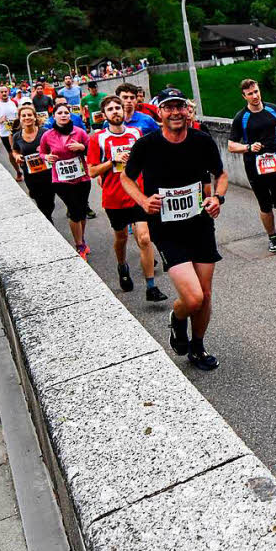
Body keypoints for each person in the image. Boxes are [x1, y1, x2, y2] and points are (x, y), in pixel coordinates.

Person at [120, 89, 228, 371]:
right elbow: (126, 178)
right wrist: (143, 200)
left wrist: (216, 198)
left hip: (200, 225)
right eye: (169, 108)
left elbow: (222, 175)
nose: (176, 112)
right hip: (167, 230)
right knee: (192, 298)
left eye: (180, 106)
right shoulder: (146, 145)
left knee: (205, 293)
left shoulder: (202, 141)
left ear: (186, 109)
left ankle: (198, 347)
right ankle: (177, 319)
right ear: (160, 112)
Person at [86, 95, 168, 302]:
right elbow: (92, 171)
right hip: (114, 197)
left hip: (138, 194)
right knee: (121, 238)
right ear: (104, 115)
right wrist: (112, 161)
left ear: (124, 112)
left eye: (118, 108)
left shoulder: (136, 133)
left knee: (144, 238)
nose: (115, 112)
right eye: (110, 109)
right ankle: (122, 265)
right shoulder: (98, 138)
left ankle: (151, 286)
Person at [228, 78, 276, 253]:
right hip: (254, 165)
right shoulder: (241, 118)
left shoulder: (272, 109)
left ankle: (273, 206)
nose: (254, 96)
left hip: (274, 162)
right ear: (244, 96)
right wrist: (247, 147)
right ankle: (272, 237)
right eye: (250, 94)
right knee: (265, 204)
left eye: (256, 92)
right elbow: (231, 145)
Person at [39, 102, 93, 259]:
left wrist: (82, 148)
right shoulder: (47, 135)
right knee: (74, 211)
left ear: (70, 115)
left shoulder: (79, 132)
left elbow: (92, 151)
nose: (63, 115)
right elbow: (42, 153)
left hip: (82, 178)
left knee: (81, 211)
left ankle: (81, 238)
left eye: (66, 113)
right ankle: (79, 245)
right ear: (54, 116)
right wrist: (47, 157)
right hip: (61, 181)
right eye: (60, 113)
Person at [12, 104, 56, 222]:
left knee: (50, 202)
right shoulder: (17, 136)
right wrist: (17, 156)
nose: (27, 117)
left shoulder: (45, 132)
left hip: (48, 174)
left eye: (30, 115)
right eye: (24, 116)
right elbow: (15, 150)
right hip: (30, 175)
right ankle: (48, 221)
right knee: (40, 201)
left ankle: (48, 214)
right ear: (20, 119)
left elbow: (55, 147)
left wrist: (47, 153)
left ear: (35, 117)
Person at [0, 85, 22, 181]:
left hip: (17, 131)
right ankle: (18, 172)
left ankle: (26, 169)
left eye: (5, 91)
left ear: (8, 92)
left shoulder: (14, 102)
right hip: (5, 133)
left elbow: (21, 113)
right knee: (11, 153)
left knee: (22, 150)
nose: (4, 93)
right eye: (1, 92)